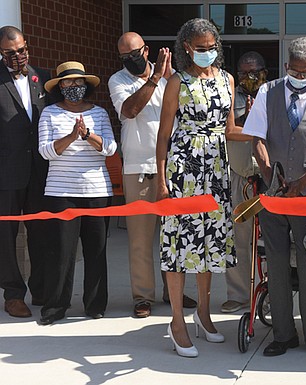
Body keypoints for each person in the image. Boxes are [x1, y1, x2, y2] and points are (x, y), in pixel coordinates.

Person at [243, 36, 306, 358]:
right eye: (294, 70)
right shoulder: (266, 93)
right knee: (274, 260)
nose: (299, 76)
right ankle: (283, 334)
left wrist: (301, 183)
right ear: (286, 66)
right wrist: (270, 174)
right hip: (272, 193)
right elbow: (257, 138)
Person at [156, 18, 247, 357]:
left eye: (212, 48)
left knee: (210, 245)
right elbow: (163, 136)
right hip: (184, 169)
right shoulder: (176, 82)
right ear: (186, 48)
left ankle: (203, 315)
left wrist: (260, 129)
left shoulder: (227, 79)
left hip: (217, 169)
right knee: (180, 245)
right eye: (201, 48)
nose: (207, 53)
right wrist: (162, 180)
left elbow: (230, 129)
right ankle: (177, 321)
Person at [108, 32, 196, 319]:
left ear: (146, 50)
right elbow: (130, 110)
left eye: (134, 53)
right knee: (141, 239)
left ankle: (173, 291)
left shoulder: (172, 79)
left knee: (174, 237)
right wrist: (155, 77)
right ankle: (142, 297)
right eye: (124, 56)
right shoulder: (118, 80)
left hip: (174, 168)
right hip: (139, 169)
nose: (129, 60)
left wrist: (169, 78)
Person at [37, 61, 117, 325]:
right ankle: (55, 306)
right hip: (61, 192)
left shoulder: (100, 114)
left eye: (78, 82)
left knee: (97, 250)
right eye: (68, 82)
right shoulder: (49, 113)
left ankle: (95, 305)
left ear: (86, 85)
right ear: (59, 86)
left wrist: (88, 135)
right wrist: (71, 136)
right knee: (60, 252)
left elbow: (110, 149)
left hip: (96, 191)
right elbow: (46, 151)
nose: (74, 86)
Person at [0, 25, 53, 318]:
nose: (18, 56)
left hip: (41, 170)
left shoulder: (43, 78)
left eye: (21, 50)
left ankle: (42, 290)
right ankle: (13, 293)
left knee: (41, 230)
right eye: (10, 53)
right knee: (6, 235)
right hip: (6, 172)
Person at [220, 51, 266, 314]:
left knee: (271, 239)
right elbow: (228, 131)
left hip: (268, 176)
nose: (250, 77)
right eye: (244, 72)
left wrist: (252, 125)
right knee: (238, 238)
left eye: (255, 71)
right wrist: (249, 123)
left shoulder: (274, 96)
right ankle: (238, 295)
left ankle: (270, 291)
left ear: (264, 71)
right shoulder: (228, 98)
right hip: (240, 175)